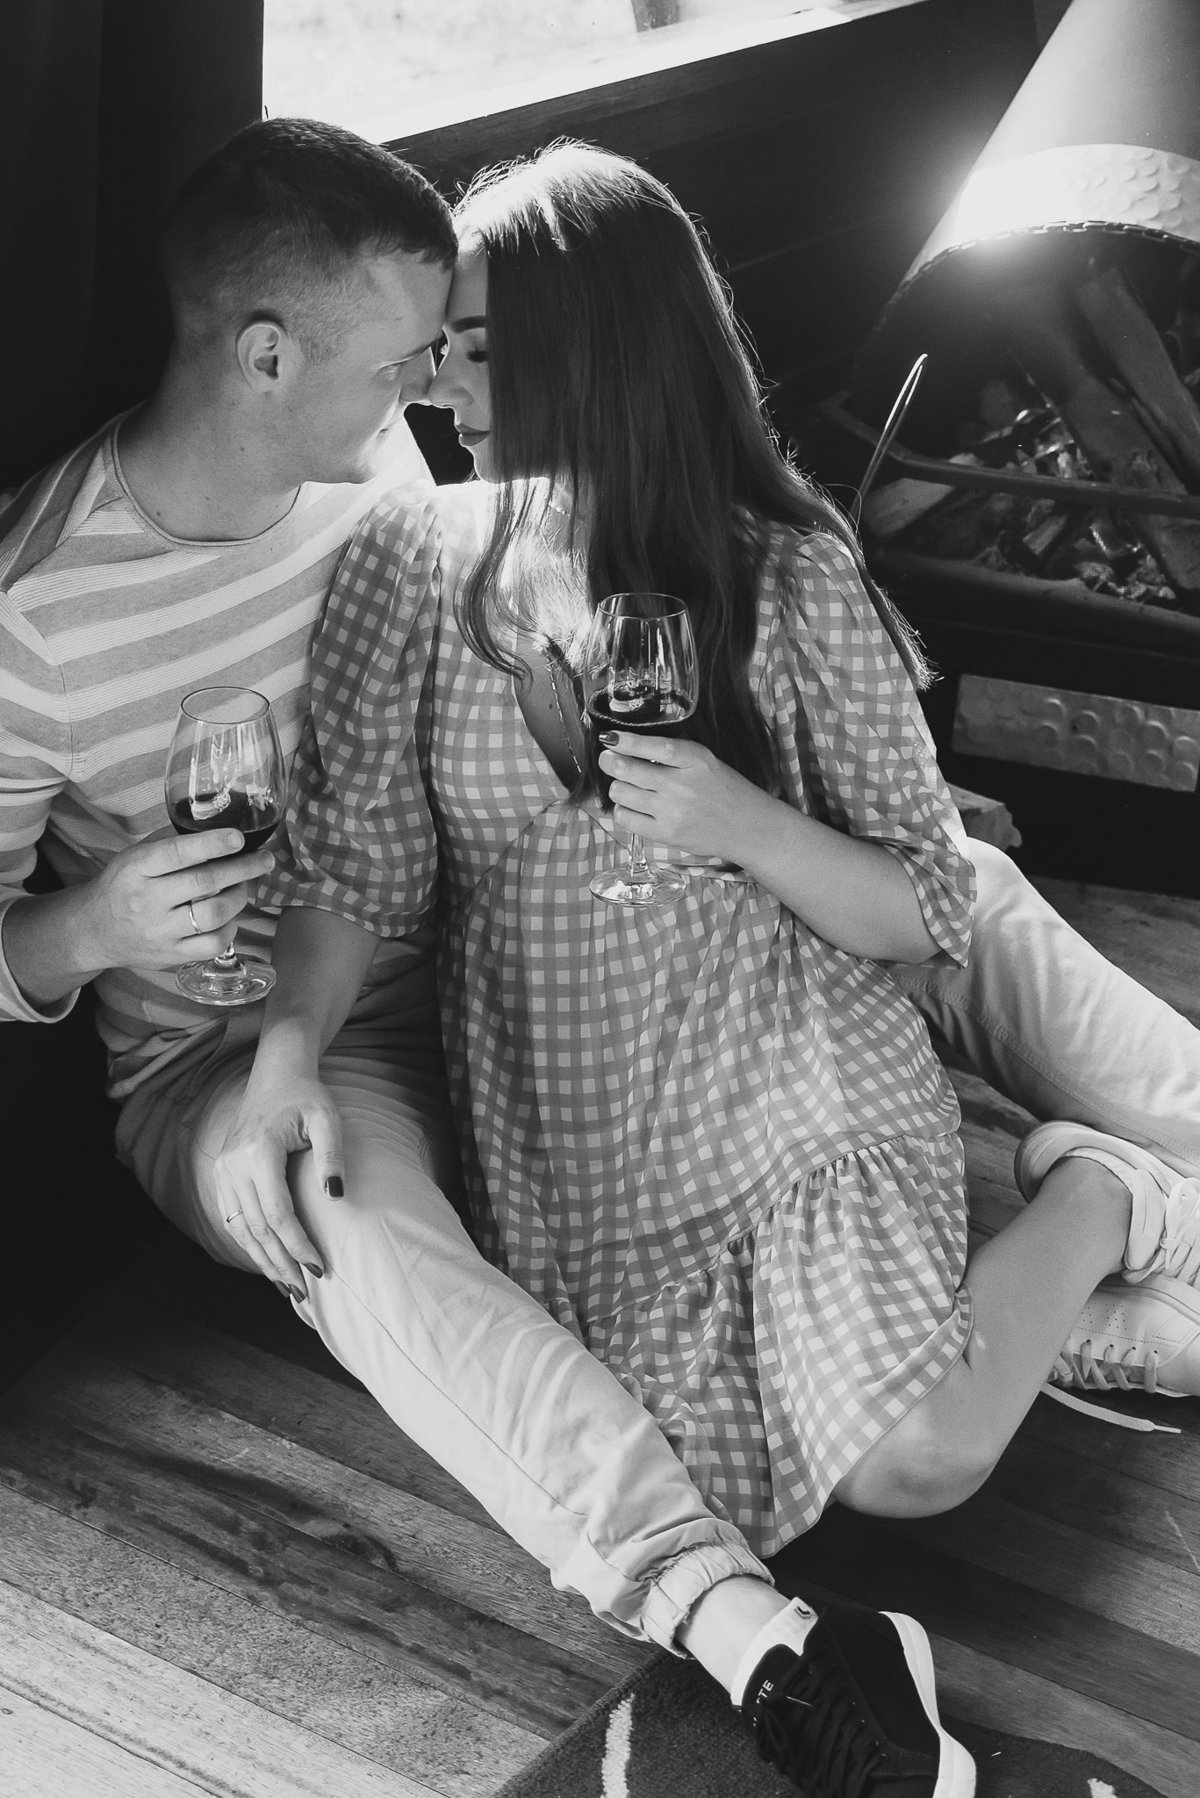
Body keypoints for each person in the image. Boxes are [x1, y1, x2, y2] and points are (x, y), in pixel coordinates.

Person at [223, 142, 1200, 1797]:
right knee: (735, 1497)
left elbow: (926, 906)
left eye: (476, 345)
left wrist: (742, 819)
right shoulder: (410, 562)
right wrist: (286, 1049)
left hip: (793, 1066)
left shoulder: (785, 570)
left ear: (591, 350)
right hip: (577, 1126)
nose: (441, 381)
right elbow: (357, 871)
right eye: (441, 346)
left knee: (914, 1459)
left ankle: (1106, 1195)